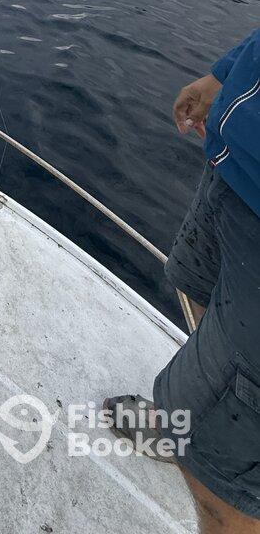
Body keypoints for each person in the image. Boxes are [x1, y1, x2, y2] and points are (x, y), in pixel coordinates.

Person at [105, 29, 260, 532]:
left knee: (226, 489)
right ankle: (188, 424)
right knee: (193, 283)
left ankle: (210, 455)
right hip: (231, 163)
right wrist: (228, 74)